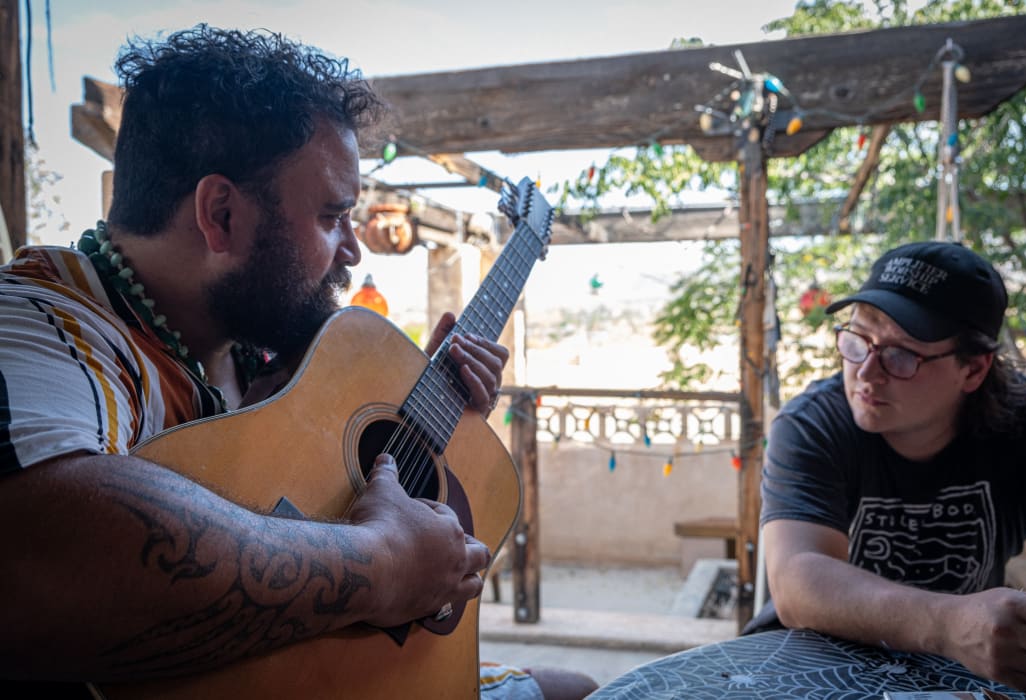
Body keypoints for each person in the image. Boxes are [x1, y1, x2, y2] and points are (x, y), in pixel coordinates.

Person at [0, 24, 596, 700]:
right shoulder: (43, 324)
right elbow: (46, 550)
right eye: (332, 216)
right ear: (220, 214)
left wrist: (431, 424)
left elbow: (308, 480)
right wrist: (385, 567)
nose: (352, 251)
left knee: (577, 688)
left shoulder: (250, 342)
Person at [756, 240, 1026, 697]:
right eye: (858, 340)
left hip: (957, 680)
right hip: (805, 669)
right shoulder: (814, 423)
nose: (867, 374)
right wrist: (950, 623)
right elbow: (797, 580)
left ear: (972, 369)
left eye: (901, 355)